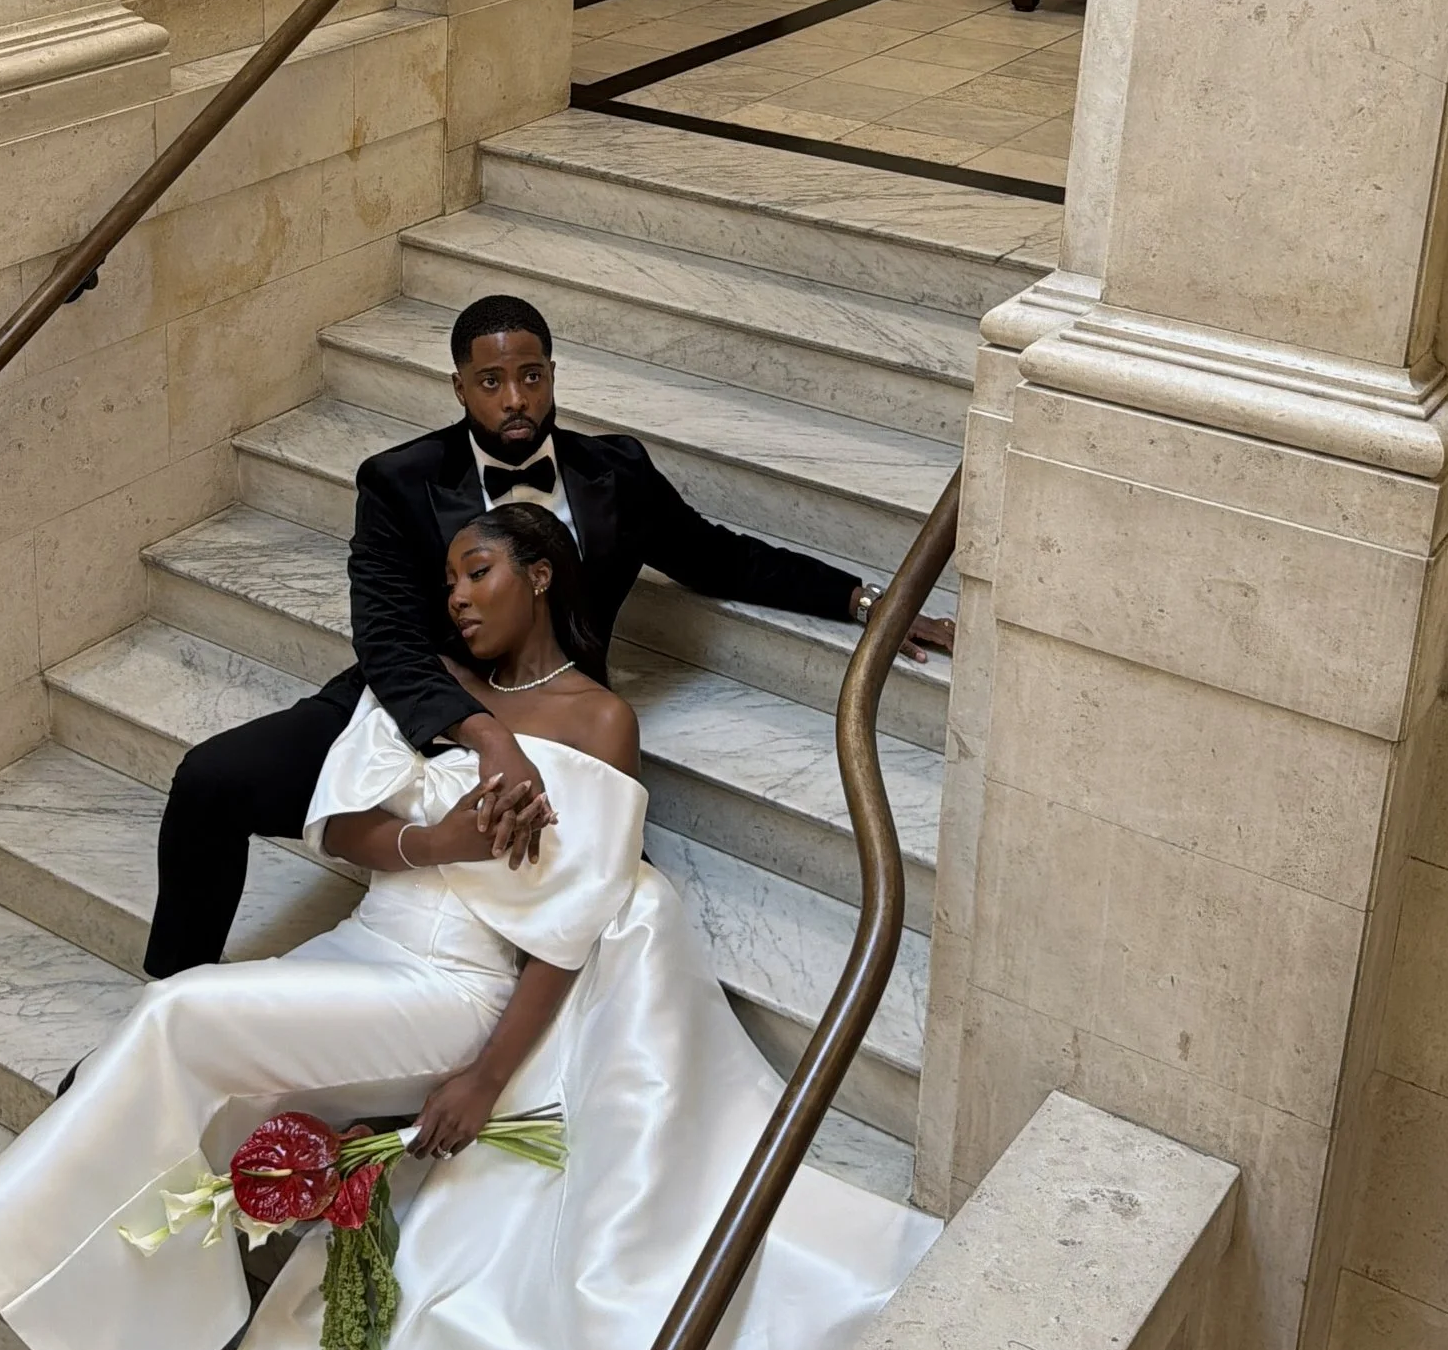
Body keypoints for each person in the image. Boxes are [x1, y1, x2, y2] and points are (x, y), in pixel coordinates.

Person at [0, 505, 937, 1350]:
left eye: (479, 569)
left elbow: (569, 932)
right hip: (365, 949)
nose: (457, 595)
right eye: (448, 576)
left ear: (539, 576)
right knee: (193, 1121)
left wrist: (486, 1078)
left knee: (178, 1013)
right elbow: (339, 832)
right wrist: (432, 842)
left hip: (452, 993)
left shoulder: (598, 721)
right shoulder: (430, 687)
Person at [142, 291, 951, 979]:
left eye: (531, 376)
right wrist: (480, 732)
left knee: (609, 923)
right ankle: (166, 1002)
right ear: (460, 387)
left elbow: (715, 555)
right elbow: (386, 637)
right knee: (211, 780)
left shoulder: (615, 473)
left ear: (553, 375)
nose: (515, 399)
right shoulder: (398, 481)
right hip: (414, 702)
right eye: (491, 382)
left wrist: (863, 599)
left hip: (549, 717)